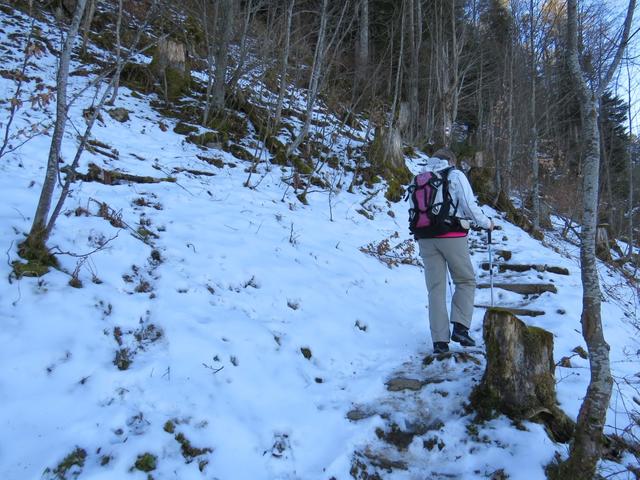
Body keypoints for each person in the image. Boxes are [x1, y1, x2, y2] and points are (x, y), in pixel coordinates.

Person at [415, 148, 494, 354]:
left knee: (435, 290)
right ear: (451, 161)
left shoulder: (421, 177)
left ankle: (439, 341)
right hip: (452, 235)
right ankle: (460, 327)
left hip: (425, 237)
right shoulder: (455, 175)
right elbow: (469, 205)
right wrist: (487, 223)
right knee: (465, 281)